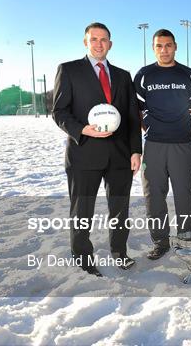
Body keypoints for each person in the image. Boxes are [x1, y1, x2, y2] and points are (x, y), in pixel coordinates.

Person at [53, 22, 142, 277]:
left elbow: (132, 116)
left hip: (120, 154)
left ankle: (119, 252)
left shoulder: (123, 76)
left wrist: (136, 151)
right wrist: (82, 129)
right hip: (84, 152)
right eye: (94, 39)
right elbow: (59, 112)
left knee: (119, 208)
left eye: (104, 39)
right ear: (85, 42)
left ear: (110, 44)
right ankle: (83, 259)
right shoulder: (69, 70)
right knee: (82, 210)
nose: (99, 44)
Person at [134, 29, 191, 260]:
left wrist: (183, 129)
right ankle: (160, 242)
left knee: (184, 195)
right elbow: (138, 110)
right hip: (153, 145)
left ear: (175, 47)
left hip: (182, 145)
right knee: (153, 195)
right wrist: (152, 130)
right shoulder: (144, 75)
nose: (164, 50)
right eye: (159, 46)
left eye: (168, 45)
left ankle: (185, 240)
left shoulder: (189, 75)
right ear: (153, 48)